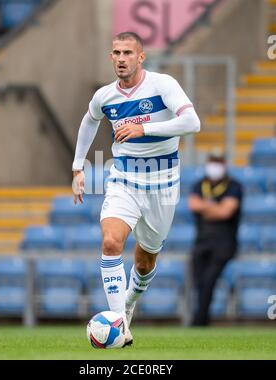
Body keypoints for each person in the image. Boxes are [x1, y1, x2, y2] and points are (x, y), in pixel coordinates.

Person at [72, 32, 201, 345]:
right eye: (116, 52)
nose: (120, 58)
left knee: (145, 262)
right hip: (124, 179)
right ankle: (121, 325)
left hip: (163, 182)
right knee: (111, 242)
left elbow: (192, 123)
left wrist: (145, 128)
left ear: (141, 57)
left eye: (128, 53)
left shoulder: (162, 84)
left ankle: (129, 302)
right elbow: (90, 121)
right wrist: (78, 166)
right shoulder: (105, 96)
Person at [188, 152, 243, 326]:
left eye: (218, 162)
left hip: (224, 243)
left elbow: (226, 211)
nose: (214, 166)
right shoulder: (199, 184)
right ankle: (201, 318)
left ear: (224, 164)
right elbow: (193, 204)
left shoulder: (234, 185)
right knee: (199, 282)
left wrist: (206, 208)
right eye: (213, 161)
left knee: (209, 279)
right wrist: (214, 207)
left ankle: (199, 321)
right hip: (202, 242)